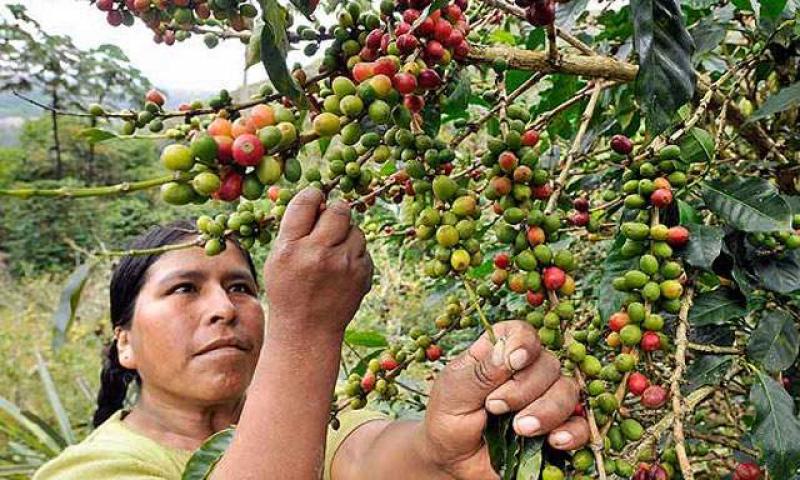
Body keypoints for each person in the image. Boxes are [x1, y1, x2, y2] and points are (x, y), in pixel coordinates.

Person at [35, 188, 589, 480]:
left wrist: (448, 444)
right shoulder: (91, 470)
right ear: (124, 342)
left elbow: (381, 456)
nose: (223, 310)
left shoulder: (317, 423)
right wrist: (306, 329)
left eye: (242, 287)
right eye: (183, 288)